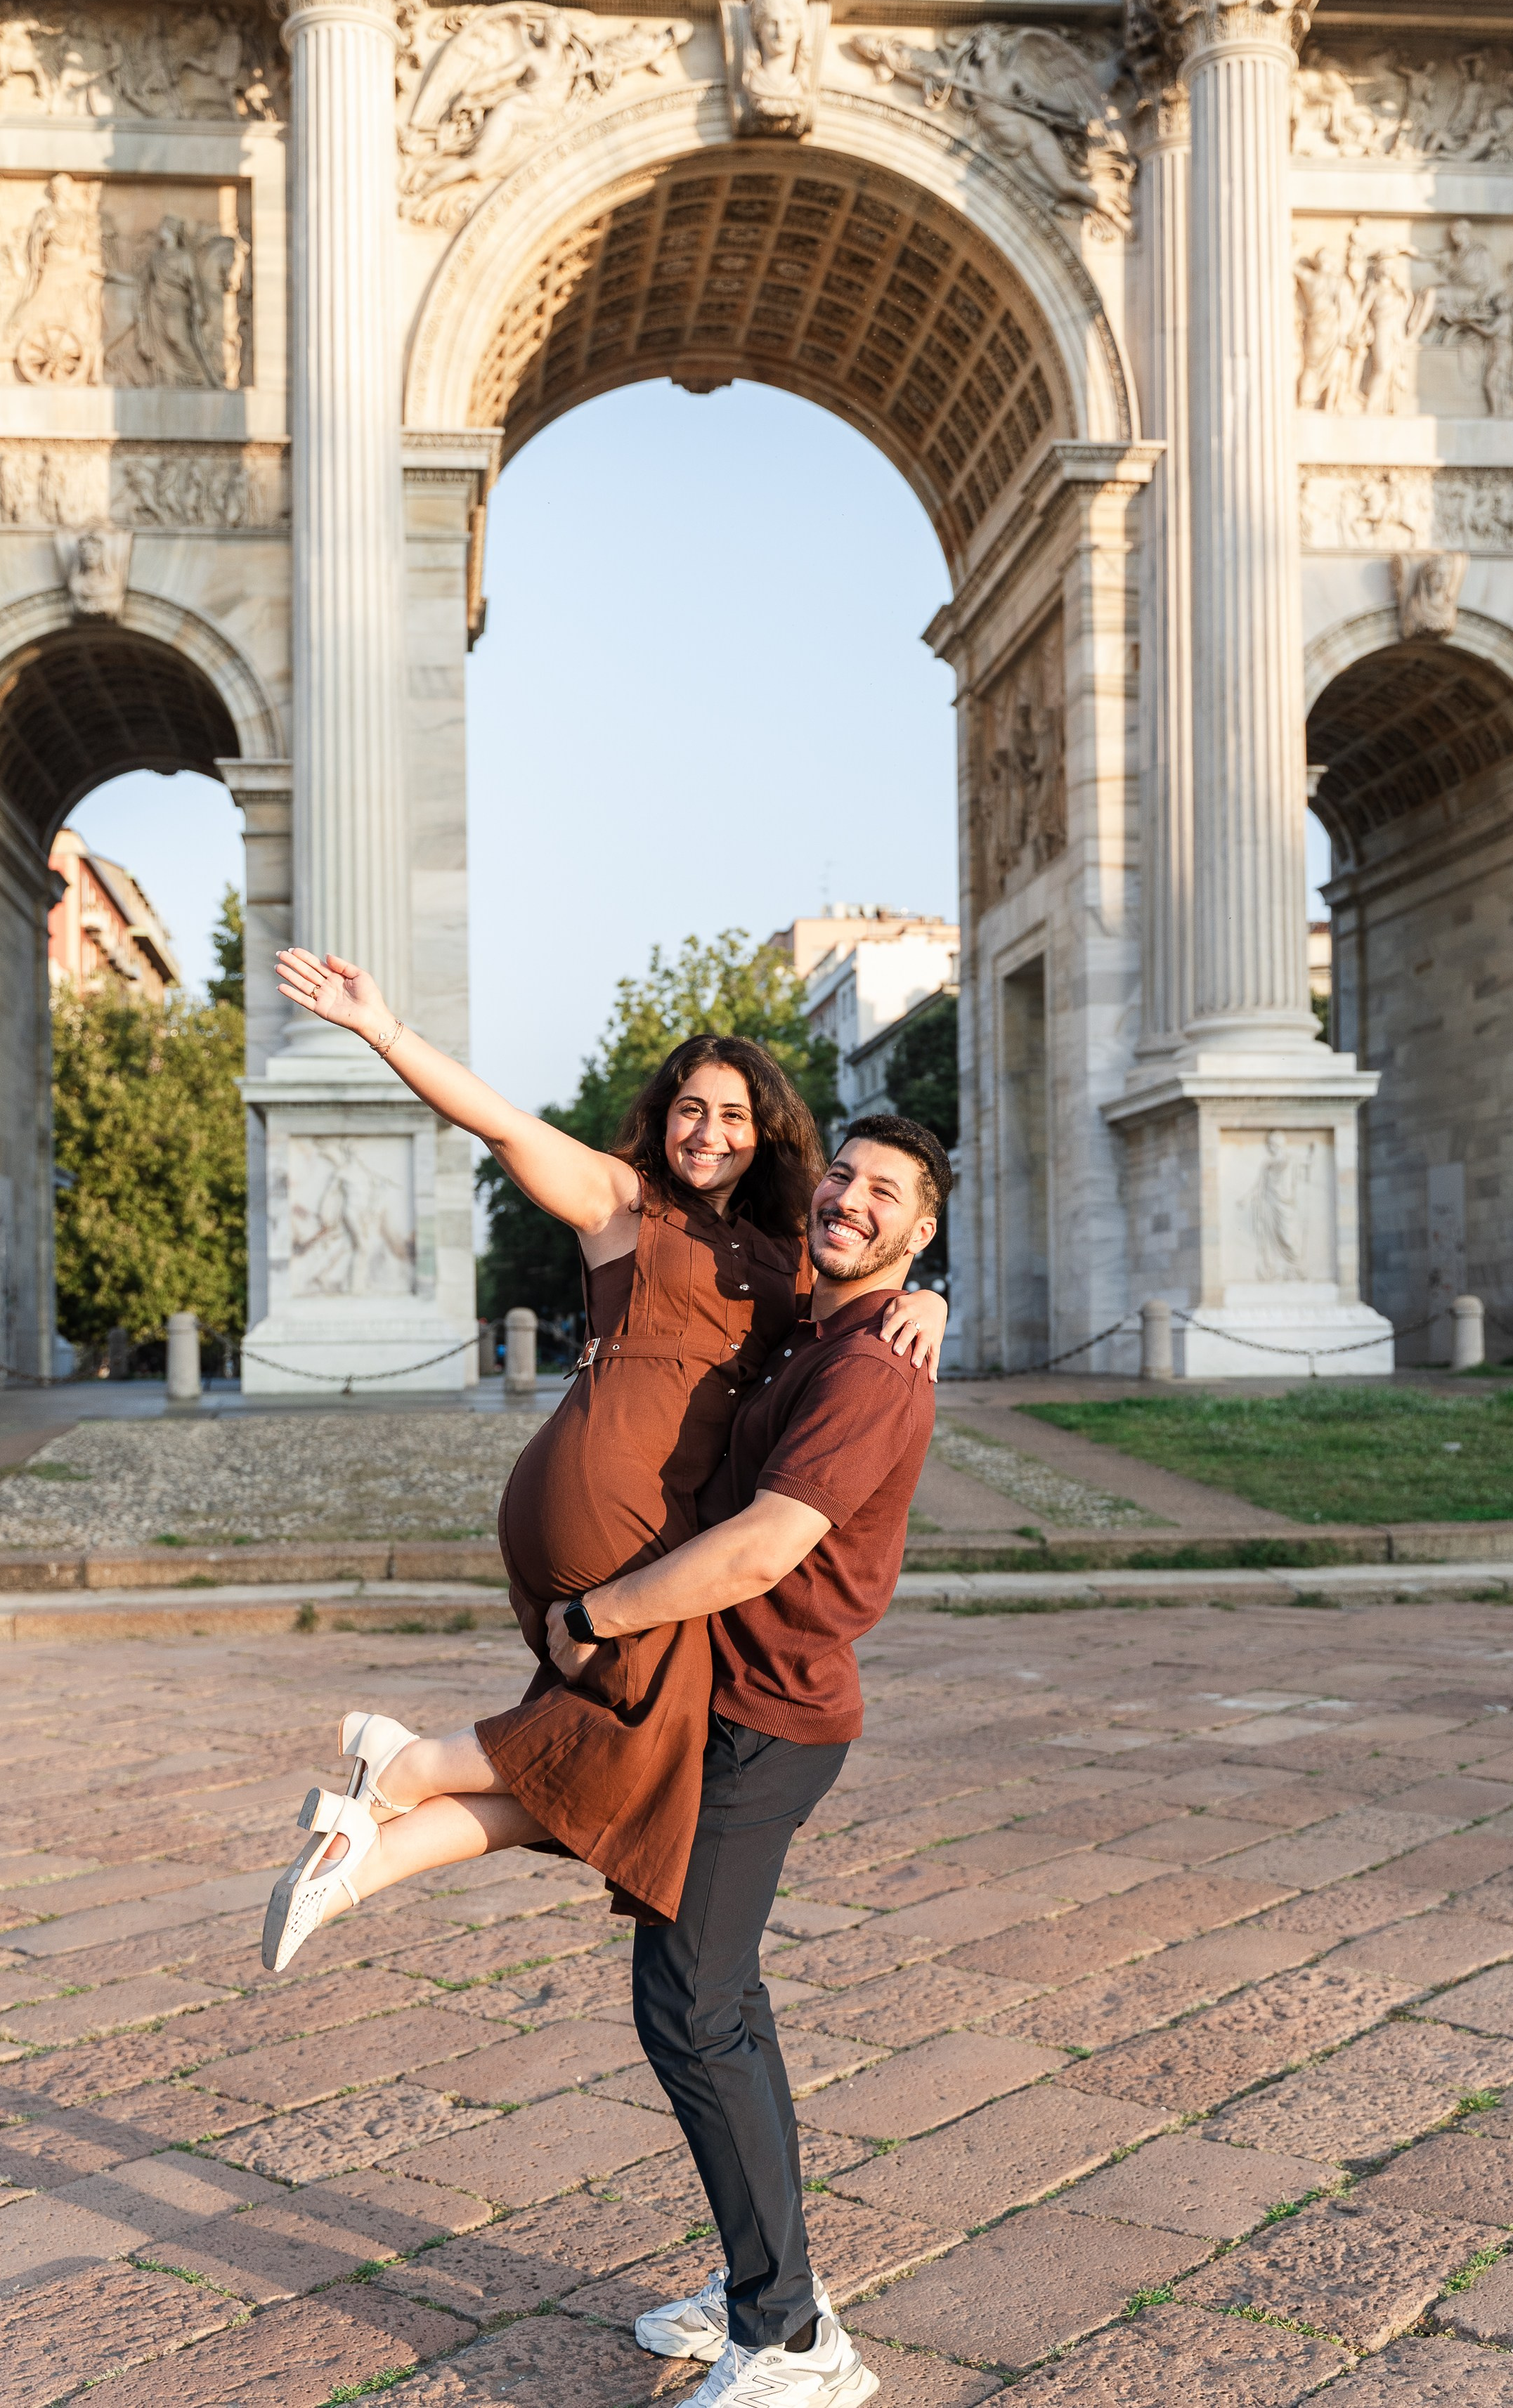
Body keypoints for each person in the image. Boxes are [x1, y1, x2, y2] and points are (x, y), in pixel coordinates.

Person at [260, 947, 946, 1972]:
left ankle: (366, 1852)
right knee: (639, 1741)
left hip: (642, 1505)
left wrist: (930, 1298)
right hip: (605, 1493)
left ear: (766, 1136)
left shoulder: (790, 1252)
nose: (706, 1132)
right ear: (660, 1118)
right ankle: (405, 1770)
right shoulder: (624, 1202)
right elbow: (503, 1123)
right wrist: (384, 1029)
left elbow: (861, 1298)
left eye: (732, 1115)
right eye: (688, 1108)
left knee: (626, 1748)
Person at [551, 1112, 951, 2408]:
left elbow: (765, 1546)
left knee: (689, 2008)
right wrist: (927, 1298)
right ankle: (769, 2289)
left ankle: (791, 2342)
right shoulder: (821, 1322)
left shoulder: (869, 1368)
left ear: (921, 1230)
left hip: (766, 1719)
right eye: (842, 1174)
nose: (850, 1199)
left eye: (886, 1194)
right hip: (739, 1704)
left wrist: (596, 1617)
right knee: (726, 2007)